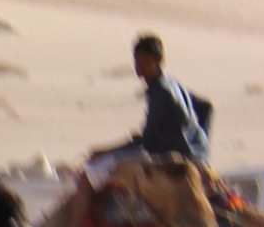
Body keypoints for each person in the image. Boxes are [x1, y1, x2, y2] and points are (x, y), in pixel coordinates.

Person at [89, 32, 210, 179]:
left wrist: (106, 151)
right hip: (197, 153)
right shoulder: (172, 83)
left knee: (98, 166)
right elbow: (206, 107)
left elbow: (146, 140)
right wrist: (201, 141)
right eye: (136, 60)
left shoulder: (159, 91)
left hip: (176, 156)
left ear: (158, 60)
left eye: (145, 60)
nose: (139, 65)